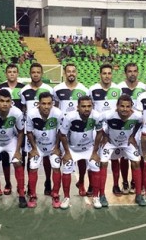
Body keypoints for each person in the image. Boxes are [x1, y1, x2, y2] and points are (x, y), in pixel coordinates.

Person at [59, 96, 103, 209]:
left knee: (95, 166)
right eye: (83, 106)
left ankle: (95, 197)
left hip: (88, 148)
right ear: (77, 107)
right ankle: (66, 198)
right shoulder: (69, 117)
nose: (86, 109)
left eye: (89, 106)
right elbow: (62, 135)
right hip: (72, 149)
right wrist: (67, 153)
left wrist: (95, 152)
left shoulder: (97, 116)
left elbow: (99, 133)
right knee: (67, 168)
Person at [99, 95, 143, 206]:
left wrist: (133, 135)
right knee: (103, 163)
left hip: (126, 143)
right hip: (110, 142)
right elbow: (98, 122)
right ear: (117, 106)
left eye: (128, 106)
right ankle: (102, 195)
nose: (124, 109)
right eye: (122, 106)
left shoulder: (137, 115)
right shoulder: (108, 115)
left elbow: (140, 122)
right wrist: (104, 135)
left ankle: (138, 195)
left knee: (137, 162)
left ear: (131, 107)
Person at [53, 63, 90, 197]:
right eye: (68, 71)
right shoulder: (57, 89)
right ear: (64, 73)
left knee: (81, 159)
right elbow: (55, 108)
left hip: (79, 129)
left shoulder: (84, 90)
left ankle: (81, 182)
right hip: (63, 129)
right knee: (65, 159)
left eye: (73, 71)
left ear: (77, 73)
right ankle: (60, 189)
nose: (71, 74)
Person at [89, 64, 122, 196]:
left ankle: (115, 185)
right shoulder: (92, 89)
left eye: (109, 73)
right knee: (94, 157)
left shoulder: (118, 89)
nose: (107, 76)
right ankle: (92, 185)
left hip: (113, 129)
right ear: (100, 74)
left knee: (115, 159)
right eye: (104, 73)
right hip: (96, 130)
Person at [20, 63, 53, 196]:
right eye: (33, 72)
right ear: (30, 73)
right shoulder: (24, 91)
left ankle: (48, 181)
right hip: (31, 129)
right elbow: (23, 109)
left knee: (47, 158)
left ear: (42, 73)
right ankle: (30, 185)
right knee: (31, 156)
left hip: (46, 128)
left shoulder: (48, 89)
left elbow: (51, 107)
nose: (36, 74)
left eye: (38, 72)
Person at [26, 92, 62, 208]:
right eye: (43, 104)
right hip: (38, 147)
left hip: (52, 146)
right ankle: (32, 195)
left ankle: (55, 194)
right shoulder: (31, 114)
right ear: (38, 104)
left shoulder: (58, 113)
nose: (46, 106)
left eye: (49, 104)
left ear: (52, 104)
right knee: (32, 167)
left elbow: (61, 131)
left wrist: (56, 147)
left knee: (56, 167)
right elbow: (29, 132)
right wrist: (34, 149)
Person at [118, 63, 146, 195]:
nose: (132, 73)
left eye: (135, 71)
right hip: (125, 125)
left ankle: (136, 182)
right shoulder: (119, 87)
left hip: (140, 126)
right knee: (124, 156)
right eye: (129, 71)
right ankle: (124, 181)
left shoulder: (144, 88)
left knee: (139, 156)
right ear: (125, 73)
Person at [0, 64, 25, 195]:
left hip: (18, 127)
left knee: (19, 157)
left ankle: (21, 184)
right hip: (4, 127)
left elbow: (25, 107)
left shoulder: (23, 88)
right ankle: (8, 183)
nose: (12, 74)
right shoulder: (0, 88)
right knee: (5, 158)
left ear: (17, 73)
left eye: (14, 72)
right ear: (6, 73)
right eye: (9, 72)